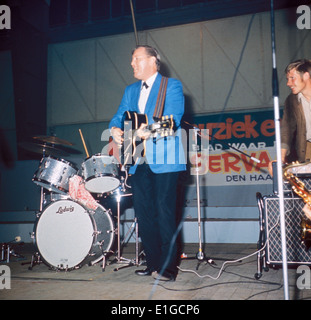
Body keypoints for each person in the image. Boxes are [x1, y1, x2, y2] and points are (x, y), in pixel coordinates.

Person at [109, 45, 186, 281]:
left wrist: (147, 131)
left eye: (137, 59)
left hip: (165, 161)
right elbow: (119, 115)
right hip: (137, 159)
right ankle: (152, 263)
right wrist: (114, 129)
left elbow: (172, 122)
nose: (132, 63)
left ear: (153, 61)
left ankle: (168, 268)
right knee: (144, 214)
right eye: (131, 60)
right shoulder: (130, 90)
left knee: (164, 213)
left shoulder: (171, 86)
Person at [269, 59, 311, 175]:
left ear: (306, 76)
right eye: (288, 79)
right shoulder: (291, 100)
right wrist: (280, 158)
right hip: (307, 149)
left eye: (292, 78)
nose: (288, 83)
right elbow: (286, 130)